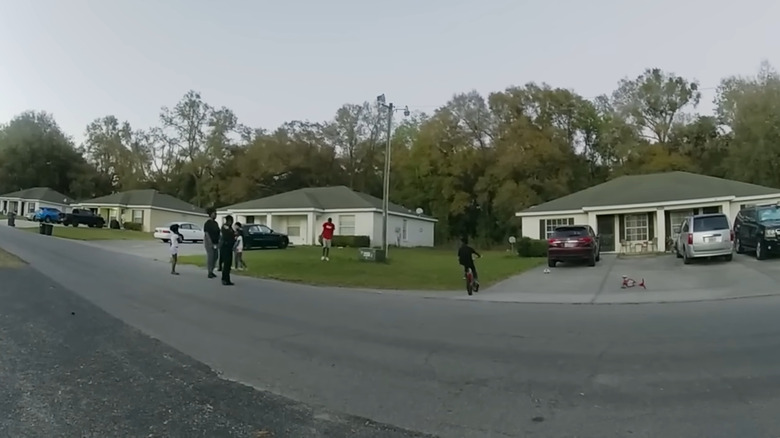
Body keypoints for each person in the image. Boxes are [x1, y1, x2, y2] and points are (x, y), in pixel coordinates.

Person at [203, 207, 221, 279]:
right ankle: (209, 272)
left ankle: (212, 270)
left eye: (216, 214)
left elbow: (218, 232)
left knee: (216, 256)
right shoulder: (207, 223)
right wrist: (210, 242)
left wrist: (219, 240)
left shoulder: (216, 223)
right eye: (214, 214)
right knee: (211, 257)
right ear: (210, 214)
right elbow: (206, 233)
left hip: (216, 242)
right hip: (209, 242)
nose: (215, 215)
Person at [219, 215, 236, 286]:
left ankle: (227, 279)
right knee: (226, 264)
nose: (231, 222)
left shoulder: (230, 228)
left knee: (228, 264)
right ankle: (224, 279)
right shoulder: (225, 226)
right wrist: (233, 235)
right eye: (231, 220)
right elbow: (228, 235)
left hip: (229, 247)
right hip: (225, 247)